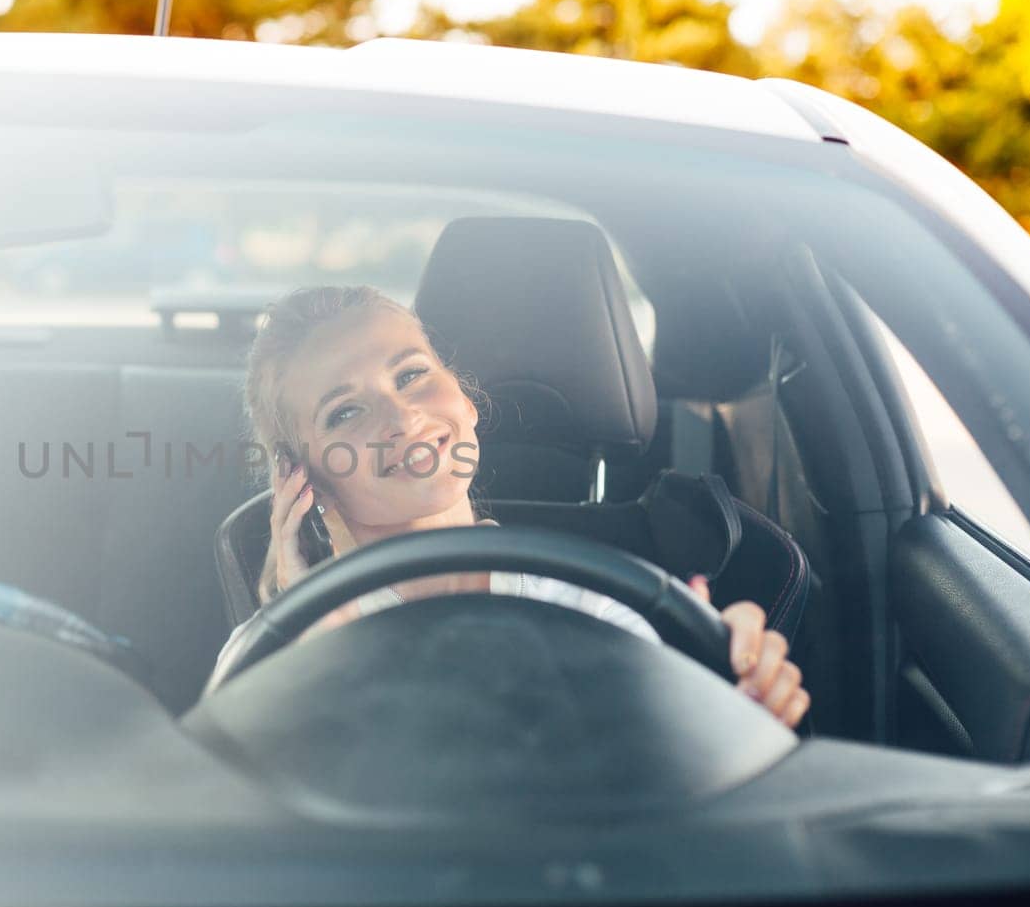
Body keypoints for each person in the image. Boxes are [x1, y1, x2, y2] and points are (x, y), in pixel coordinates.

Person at [208, 285, 810, 729]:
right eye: (345, 412)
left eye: (412, 375)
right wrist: (311, 664)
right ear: (303, 476)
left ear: (465, 401)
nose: (401, 416)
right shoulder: (274, 651)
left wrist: (731, 708)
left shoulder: (596, 605)